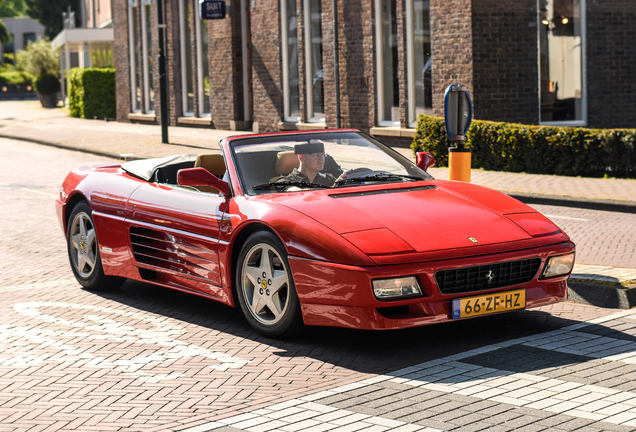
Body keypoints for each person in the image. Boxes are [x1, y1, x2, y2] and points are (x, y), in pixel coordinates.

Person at [278, 141, 342, 186]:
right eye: (316, 155)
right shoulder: (285, 181)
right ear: (301, 157)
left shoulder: (329, 179)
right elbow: (292, 191)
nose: (321, 159)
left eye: (323, 155)